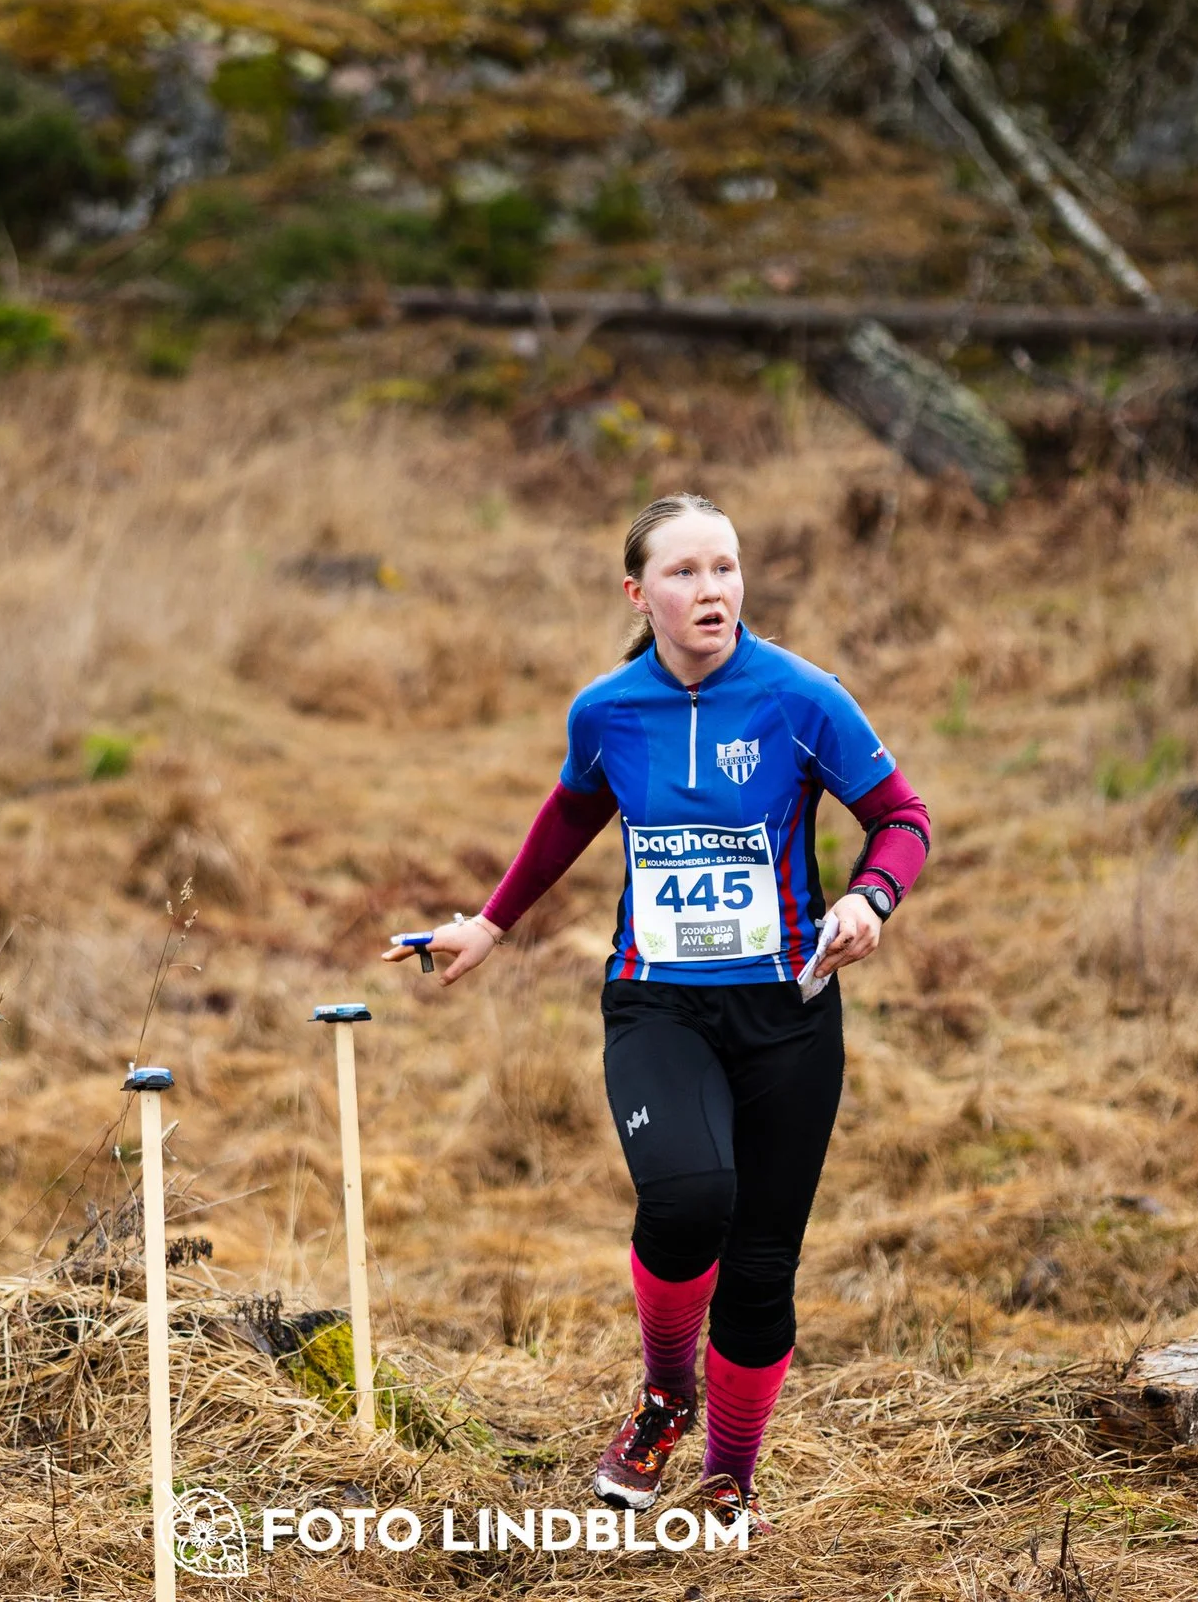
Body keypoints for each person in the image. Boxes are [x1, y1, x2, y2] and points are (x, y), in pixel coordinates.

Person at [385, 492, 932, 1528]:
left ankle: (728, 1471)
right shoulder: (605, 711)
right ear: (640, 594)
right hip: (658, 1006)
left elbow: (900, 816)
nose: (712, 589)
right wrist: (491, 924)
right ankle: (662, 1391)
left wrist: (869, 895)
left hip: (788, 1014)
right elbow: (575, 806)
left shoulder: (804, 698)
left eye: (725, 568)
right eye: (684, 572)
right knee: (686, 1202)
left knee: (763, 1267)